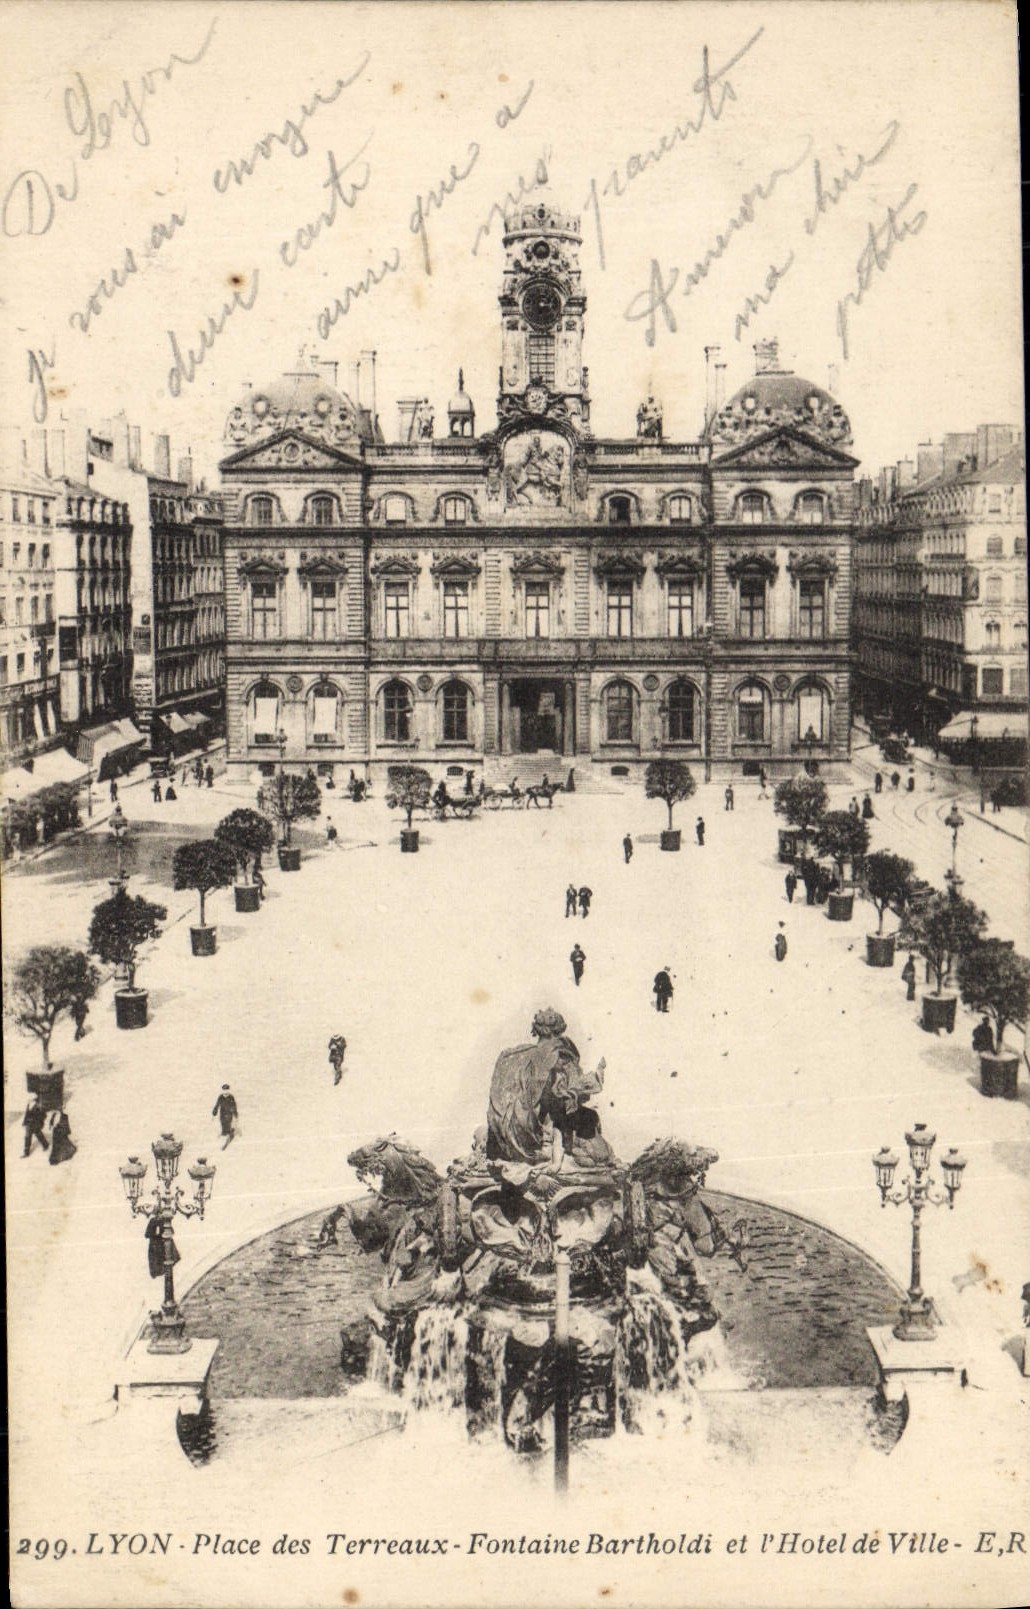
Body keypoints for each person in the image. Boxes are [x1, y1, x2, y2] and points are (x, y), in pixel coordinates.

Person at [212, 1084, 238, 1149]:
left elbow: (234, 1106)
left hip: (229, 1114)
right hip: (222, 1114)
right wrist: (214, 1114)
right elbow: (217, 1105)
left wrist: (235, 1114)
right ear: (222, 1091)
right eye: (224, 1090)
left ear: (229, 1091)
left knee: (228, 1123)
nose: (225, 1092)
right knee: (223, 1124)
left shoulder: (231, 1097)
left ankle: (228, 1135)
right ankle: (224, 1134)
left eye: (227, 1090)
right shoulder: (220, 1097)